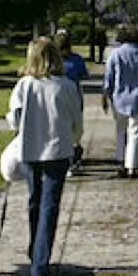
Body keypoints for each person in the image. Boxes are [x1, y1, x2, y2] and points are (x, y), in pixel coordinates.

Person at [6, 37, 83, 276]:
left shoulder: (24, 86)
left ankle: (36, 253)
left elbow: (15, 120)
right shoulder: (66, 86)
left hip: (30, 150)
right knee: (49, 207)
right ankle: (40, 264)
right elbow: (76, 120)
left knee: (35, 202)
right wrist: (75, 140)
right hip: (57, 152)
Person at [102, 23, 138, 178]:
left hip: (119, 99)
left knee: (121, 131)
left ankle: (121, 161)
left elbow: (109, 78)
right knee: (135, 132)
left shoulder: (115, 55)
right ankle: (132, 166)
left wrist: (105, 96)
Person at [55, 32, 88, 175]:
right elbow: (84, 75)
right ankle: (72, 158)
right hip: (73, 96)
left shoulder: (52, 61)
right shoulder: (76, 60)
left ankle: (67, 157)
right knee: (74, 128)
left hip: (56, 98)